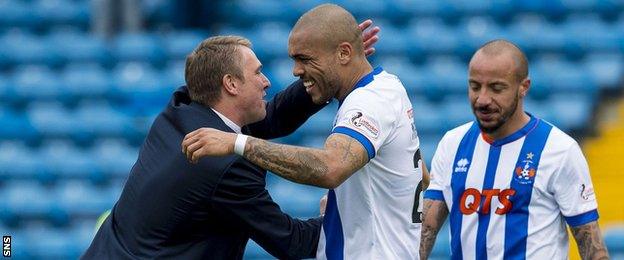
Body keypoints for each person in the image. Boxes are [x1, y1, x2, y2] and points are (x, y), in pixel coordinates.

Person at [83, 20, 380, 259]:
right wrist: (339, 217)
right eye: (258, 73)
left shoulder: (181, 110)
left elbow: (270, 117)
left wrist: (326, 74)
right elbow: (294, 243)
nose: (266, 82)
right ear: (231, 84)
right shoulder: (226, 166)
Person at [182, 4, 429, 259]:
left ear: (344, 53)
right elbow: (419, 176)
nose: (296, 71)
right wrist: (344, 206)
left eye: (305, 59)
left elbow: (331, 168)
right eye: (294, 60)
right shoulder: (387, 87)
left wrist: (239, 143)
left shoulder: (367, 102)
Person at [419, 40, 609, 260]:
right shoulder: (453, 144)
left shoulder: (559, 150)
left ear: (523, 87)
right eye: (474, 86)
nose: (482, 99)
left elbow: (592, 247)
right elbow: (425, 232)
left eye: (496, 88)